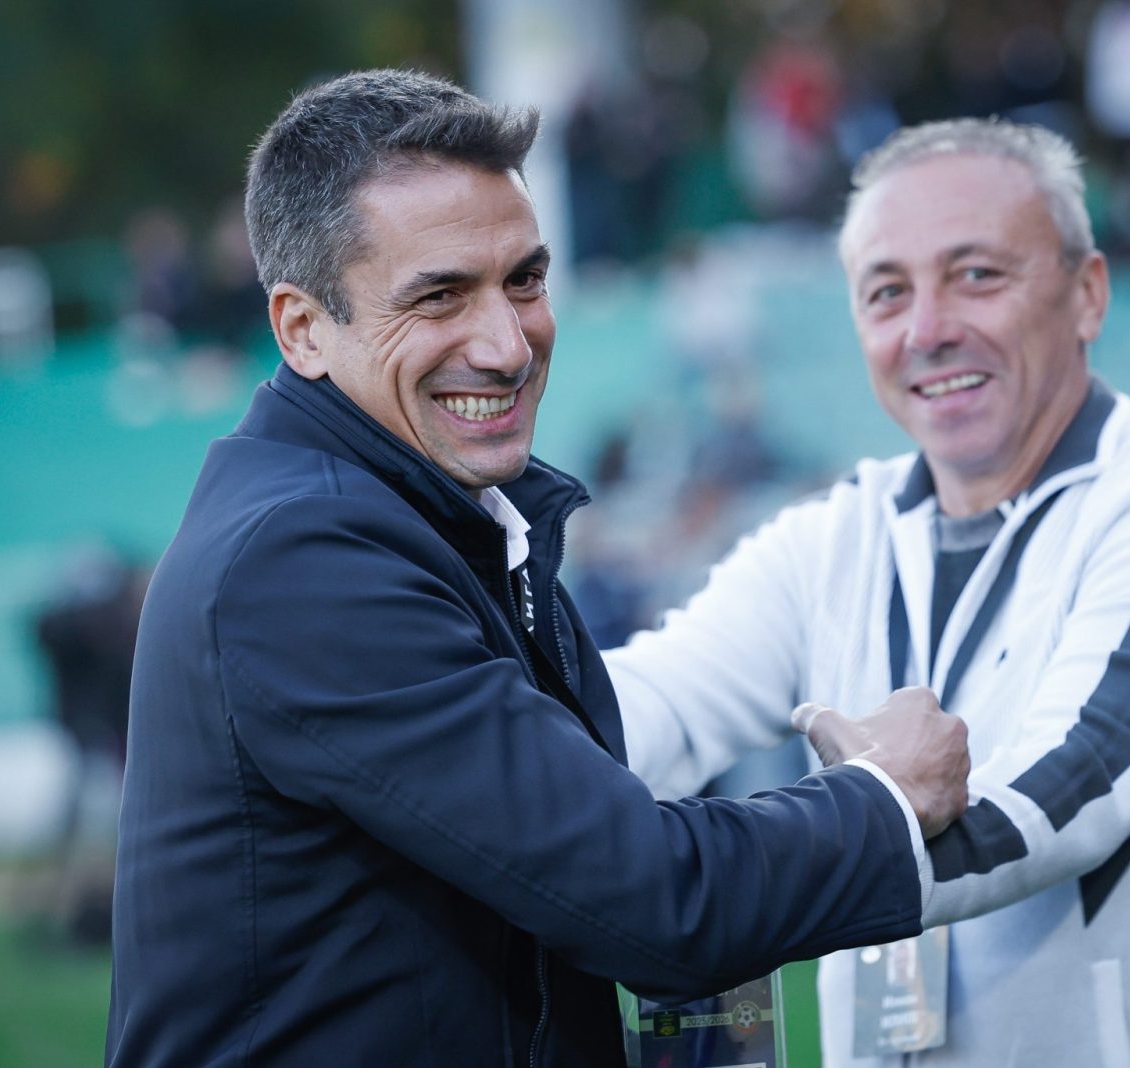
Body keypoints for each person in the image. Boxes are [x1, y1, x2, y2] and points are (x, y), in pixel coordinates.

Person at [105, 68, 970, 1068]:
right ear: (303, 329)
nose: (509, 344)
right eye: (440, 296)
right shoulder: (305, 559)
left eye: (524, 279)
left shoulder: (429, 514)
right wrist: (881, 797)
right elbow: (655, 901)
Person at [607, 117, 1130, 1066]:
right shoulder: (832, 539)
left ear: (1088, 294)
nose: (927, 330)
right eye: (887, 292)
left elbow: (1063, 796)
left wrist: (760, 866)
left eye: (977, 275)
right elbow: (645, 711)